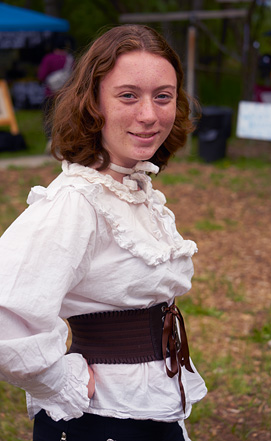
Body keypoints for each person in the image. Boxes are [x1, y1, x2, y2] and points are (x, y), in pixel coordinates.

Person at [0, 24, 207, 441]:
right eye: (128, 95)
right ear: (93, 103)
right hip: (102, 420)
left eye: (162, 96)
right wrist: (61, 380)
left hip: (152, 406)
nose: (149, 114)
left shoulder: (131, 189)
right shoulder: (77, 201)